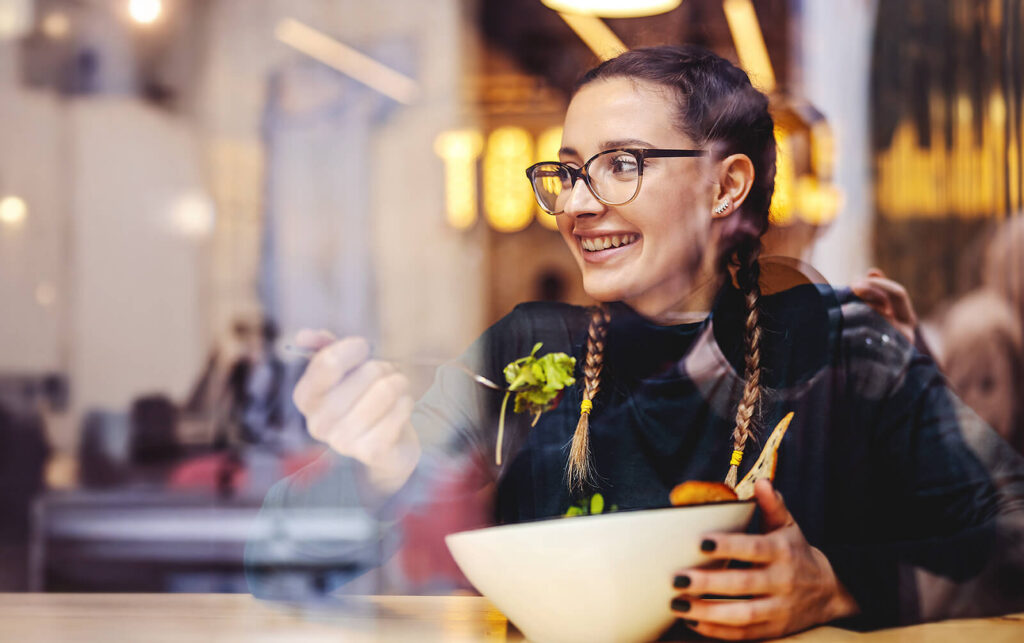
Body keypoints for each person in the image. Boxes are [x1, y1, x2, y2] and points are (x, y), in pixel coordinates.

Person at [251, 46, 1024, 639]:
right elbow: (277, 560)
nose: (577, 204)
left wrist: (841, 585)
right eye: (568, 170)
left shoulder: (850, 354)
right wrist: (375, 467)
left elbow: (1012, 540)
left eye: (621, 164)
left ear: (727, 188)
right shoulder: (525, 354)